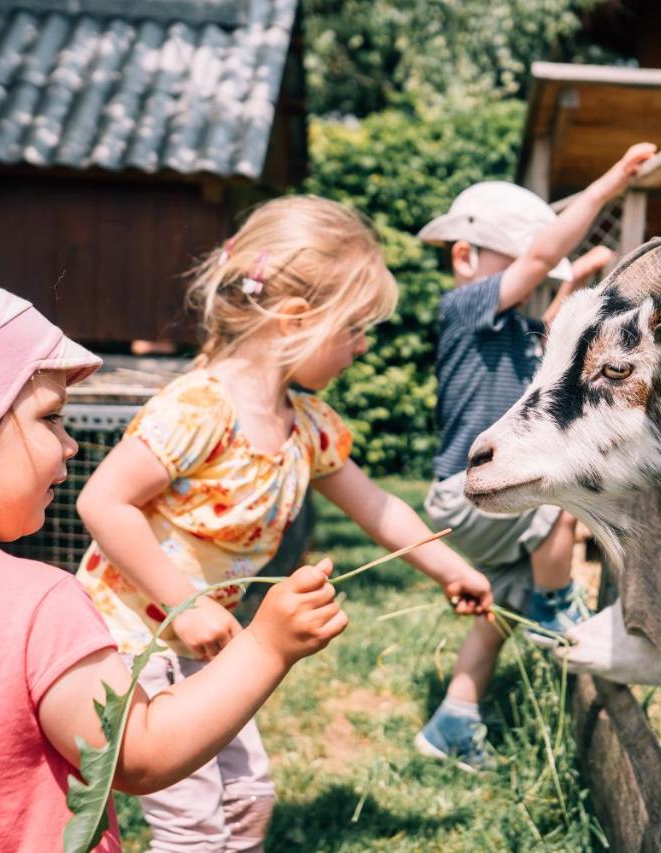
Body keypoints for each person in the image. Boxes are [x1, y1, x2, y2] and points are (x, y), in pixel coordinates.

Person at [0, 269, 348, 852]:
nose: (70, 445)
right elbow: (138, 753)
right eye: (50, 418)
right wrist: (267, 645)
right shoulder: (35, 605)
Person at [74, 196, 493, 849]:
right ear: (295, 319)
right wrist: (181, 604)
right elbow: (102, 502)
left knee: (247, 797)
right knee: (192, 818)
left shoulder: (307, 426)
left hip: (206, 642)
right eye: (354, 329)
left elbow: (378, 506)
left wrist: (450, 565)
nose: (362, 347)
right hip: (132, 638)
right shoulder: (197, 409)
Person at [413, 143, 656, 770]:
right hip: (465, 496)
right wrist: (610, 182)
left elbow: (555, 324)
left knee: (498, 615)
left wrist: (578, 279)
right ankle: (559, 602)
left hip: (481, 495)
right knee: (565, 489)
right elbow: (545, 254)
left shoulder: (513, 328)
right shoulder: (465, 308)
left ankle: (452, 723)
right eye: (517, 260)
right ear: (465, 258)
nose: (532, 269)